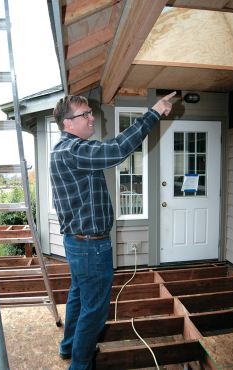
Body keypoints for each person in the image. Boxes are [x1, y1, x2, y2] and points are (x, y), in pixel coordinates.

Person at [50, 91, 176, 370]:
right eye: (85, 114)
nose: (92, 117)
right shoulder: (73, 150)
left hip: (76, 242)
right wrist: (152, 113)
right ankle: (80, 365)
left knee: (79, 295)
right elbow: (118, 149)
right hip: (90, 245)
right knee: (94, 310)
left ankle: (69, 346)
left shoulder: (63, 150)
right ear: (68, 123)